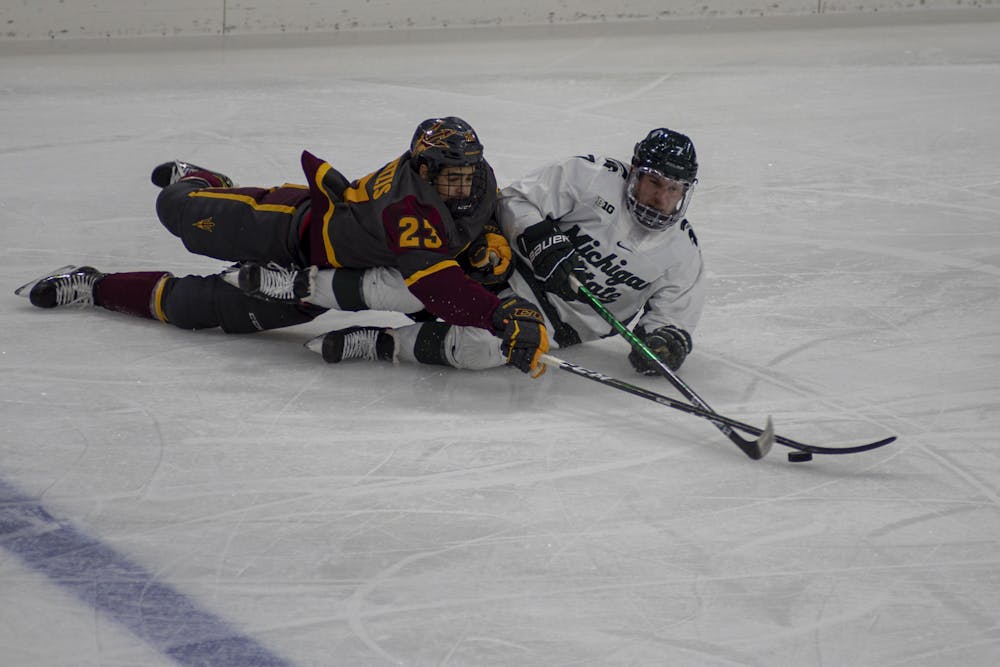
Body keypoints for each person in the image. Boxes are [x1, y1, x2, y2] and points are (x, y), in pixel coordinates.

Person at [15, 117, 549, 375]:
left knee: (191, 309)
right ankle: (200, 179)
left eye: (467, 171)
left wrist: (491, 240)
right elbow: (442, 290)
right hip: (289, 228)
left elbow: (480, 220)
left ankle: (93, 285)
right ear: (423, 166)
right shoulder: (408, 206)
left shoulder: (477, 178)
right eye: (449, 174)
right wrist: (502, 315)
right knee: (175, 211)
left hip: (320, 283)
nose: (462, 184)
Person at [239, 127, 704, 375]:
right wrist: (542, 241)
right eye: (653, 183)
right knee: (417, 288)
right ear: (635, 172)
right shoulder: (591, 175)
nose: (660, 197)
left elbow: (673, 316)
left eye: (673, 190)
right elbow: (516, 199)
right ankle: (305, 286)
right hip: (504, 273)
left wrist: (664, 343)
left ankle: (380, 344)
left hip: (554, 326)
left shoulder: (682, 254)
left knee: (482, 351)